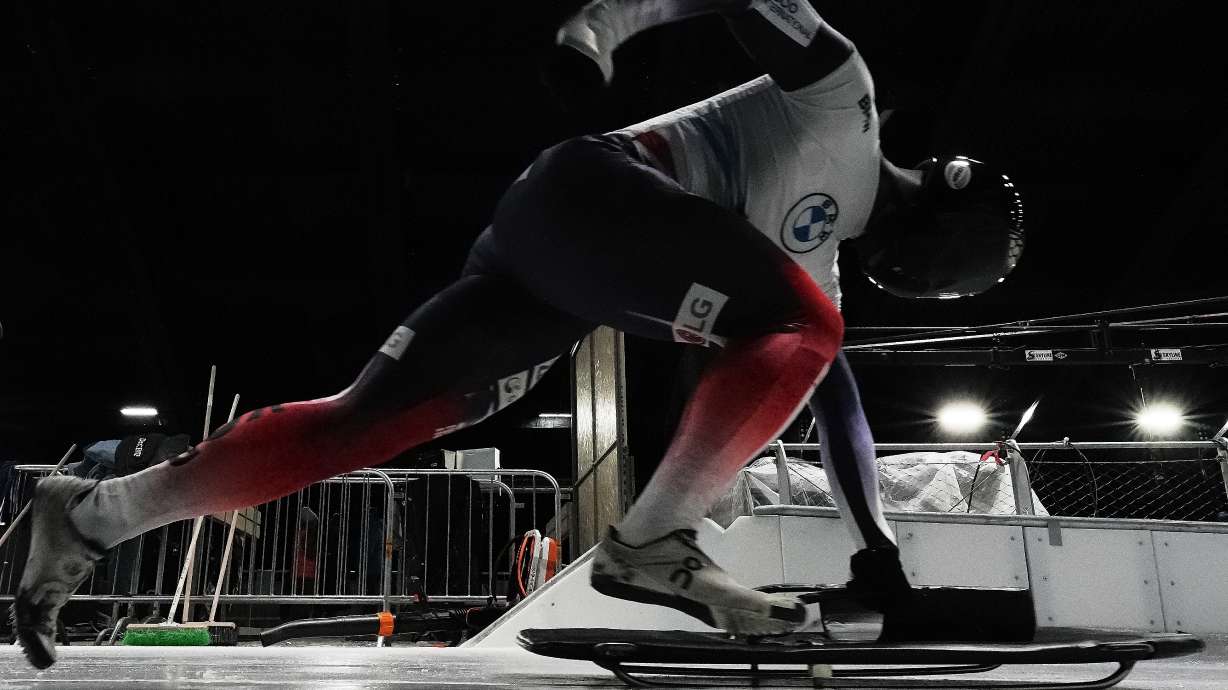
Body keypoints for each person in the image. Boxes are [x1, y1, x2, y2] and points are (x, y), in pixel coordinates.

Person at [14, 0, 1023, 668]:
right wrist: (602, 26)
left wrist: (879, 554)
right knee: (805, 328)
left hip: (550, 267)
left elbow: (830, 407)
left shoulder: (817, 275)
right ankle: (653, 542)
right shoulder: (845, 100)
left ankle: (94, 514)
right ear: (948, 222)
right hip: (594, 191)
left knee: (357, 425)